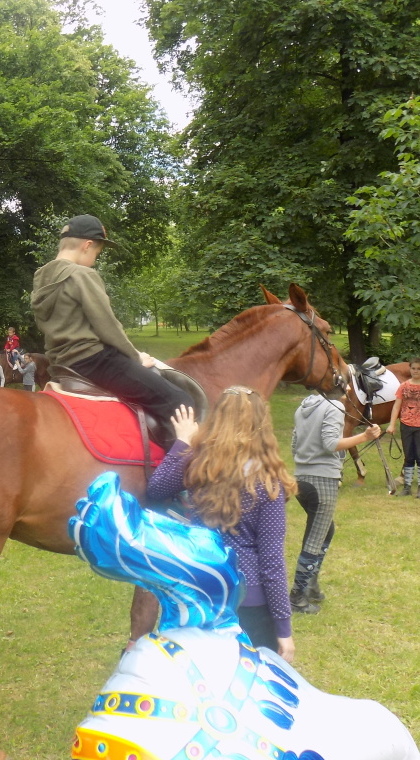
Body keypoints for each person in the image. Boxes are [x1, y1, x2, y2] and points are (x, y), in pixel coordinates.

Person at [146, 391, 297, 661]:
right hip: (248, 600)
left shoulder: (199, 466)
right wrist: (283, 629)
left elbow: (156, 487)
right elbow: (271, 562)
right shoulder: (267, 482)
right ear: (261, 427)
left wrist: (183, 442)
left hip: (202, 588)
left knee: (205, 670)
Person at [31, 214, 193, 443]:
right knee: (180, 403)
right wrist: (135, 357)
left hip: (61, 363)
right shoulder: (82, 275)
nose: (94, 261)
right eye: (97, 253)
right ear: (87, 246)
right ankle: (175, 465)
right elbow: (107, 325)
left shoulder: (41, 278)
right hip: (95, 361)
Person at [290, 392, 383, 614]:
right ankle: (297, 596)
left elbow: (294, 444)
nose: (350, 390)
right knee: (316, 538)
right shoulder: (334, 407)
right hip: (322, 481)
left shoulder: (303, 407)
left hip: (301, 479)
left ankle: (310, 585)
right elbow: (331, 443)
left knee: (326, 530)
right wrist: (365, 436)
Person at [386, 357, 420, 498]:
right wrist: (392, 424)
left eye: (419, 369)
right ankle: (407, 487)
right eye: (413, 368)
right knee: (408, 457)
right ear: (410, 369)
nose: (416, 371)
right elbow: (396, 406)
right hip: (406, 425)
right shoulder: (403, 386)